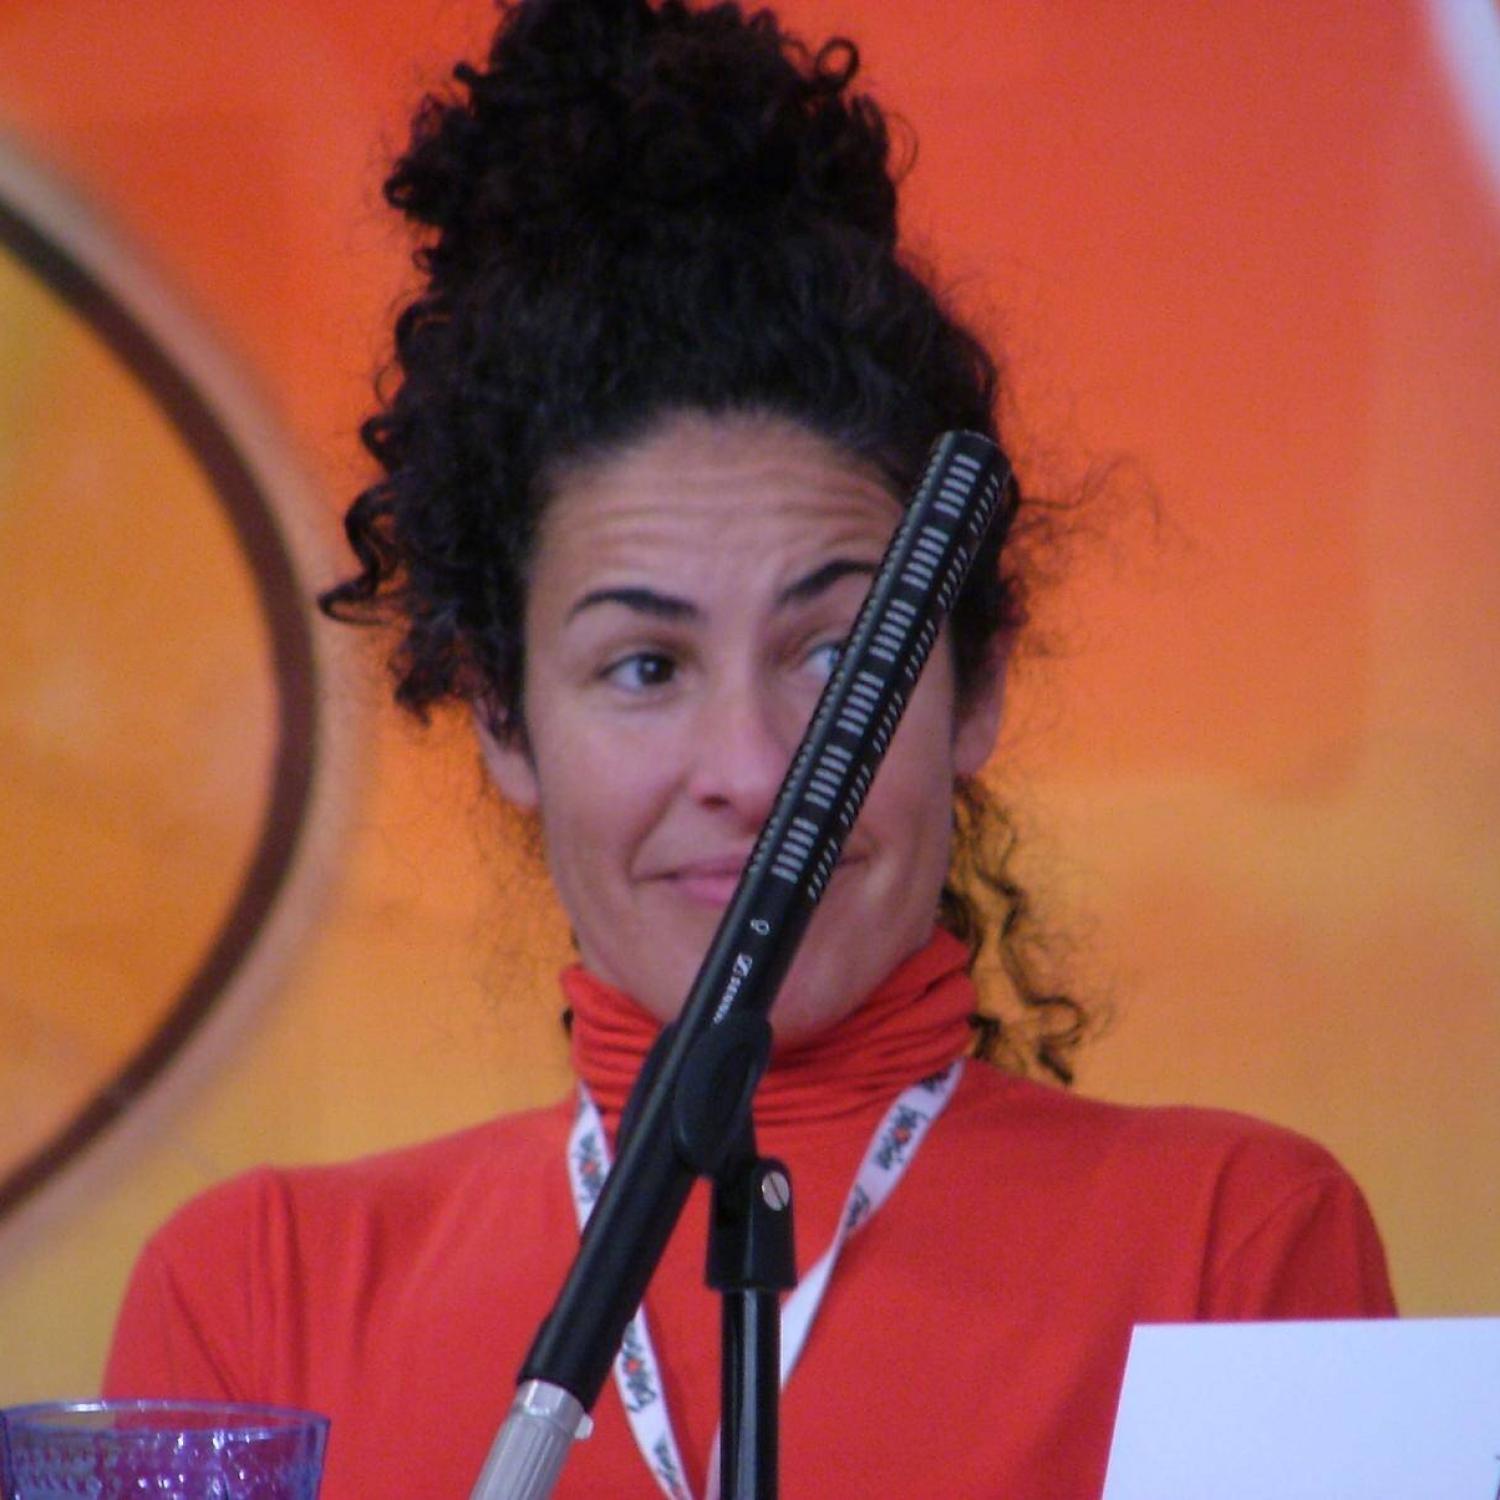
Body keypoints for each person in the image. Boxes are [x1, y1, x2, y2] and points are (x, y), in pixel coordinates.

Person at [104, 2, 1395, 1496]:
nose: (755, 765)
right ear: (505, 719)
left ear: (975, 688)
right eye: (646, 666)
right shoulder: (259, 1301)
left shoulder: (1236, 1250)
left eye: (836, 654)